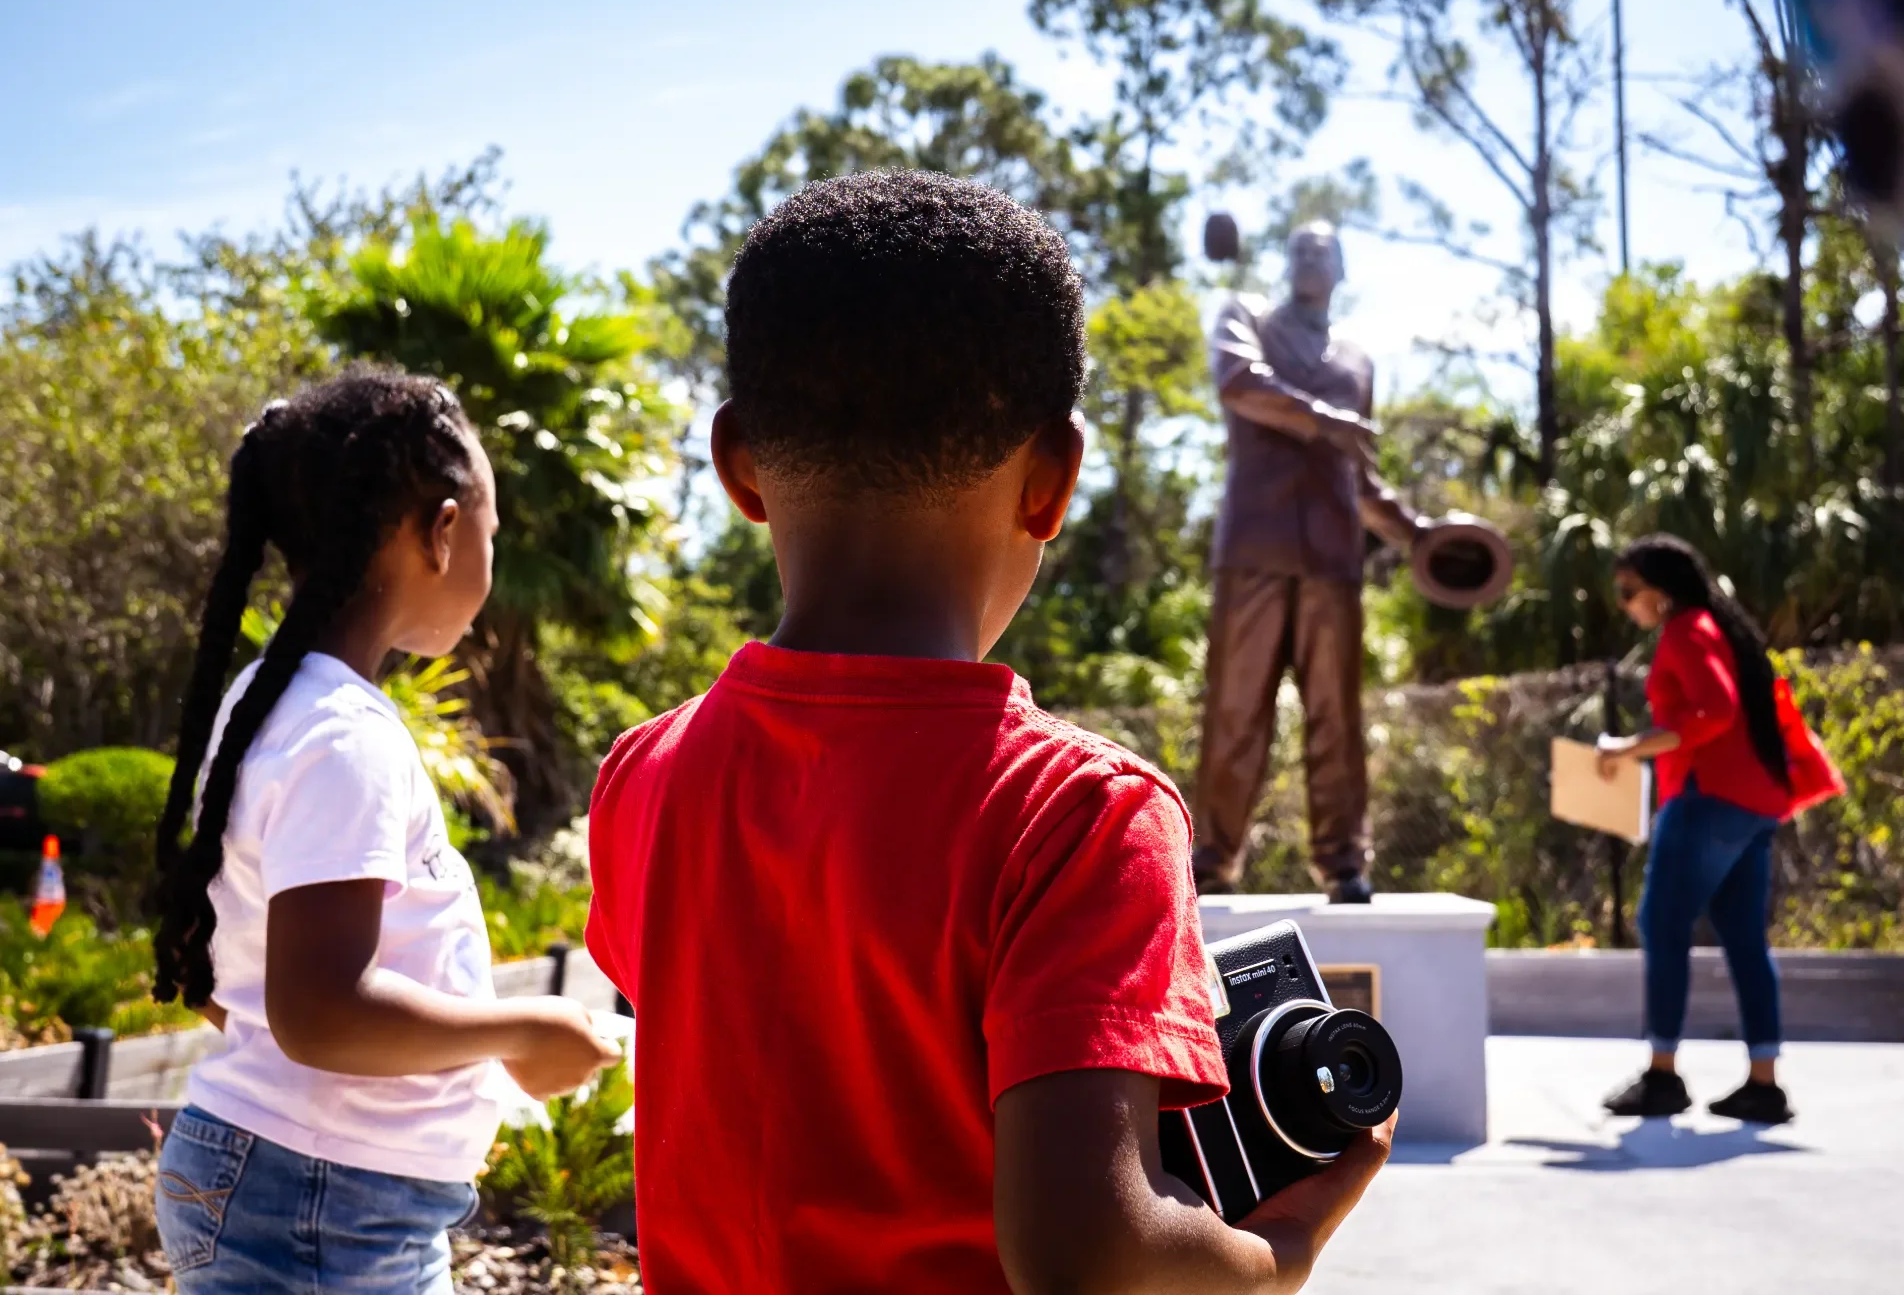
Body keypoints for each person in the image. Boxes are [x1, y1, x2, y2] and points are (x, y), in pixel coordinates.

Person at [586, 173, 1394, 1295]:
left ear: (737, 471)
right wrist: (1279, 1253)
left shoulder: (641, 776)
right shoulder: (1081, 817)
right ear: (1052, 482)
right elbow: (1088, 1252)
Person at [149, 369, 623, 1293]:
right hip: (323, 1201)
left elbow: (247, 984)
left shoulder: (274, 706)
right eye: (494, 527)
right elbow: (321, 1009)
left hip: (309, 1185)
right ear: (442, 532)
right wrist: (522, 1029)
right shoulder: (342, 735)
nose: (495, 549)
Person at [1194, 221, 1433, 904]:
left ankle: (1343, 861)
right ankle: (1212, 860)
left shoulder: (1358, 358)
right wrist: (1326, 419)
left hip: (1333, 558)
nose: (1307, 258)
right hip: (1255, 548)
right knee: (1237, 709)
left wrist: (1417, 534)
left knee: (1337, 714)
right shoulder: (1247, 316)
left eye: (1321, 250)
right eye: (1298, 248)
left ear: (1341, 269)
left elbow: (1360, 477)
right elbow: (1240, 383)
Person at [1596, 535, 1843, 1126]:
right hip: (1755, 804)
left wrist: (1632, 748)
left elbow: (1714, 710)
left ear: (1659, 591)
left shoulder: (1687, 630)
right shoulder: (1718, 628)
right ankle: (1764, 1084)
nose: (1626, 604)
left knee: (1661, 924)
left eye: (1629, 592)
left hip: (1707, 801)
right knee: (1743, 941)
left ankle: (1662, 1076)